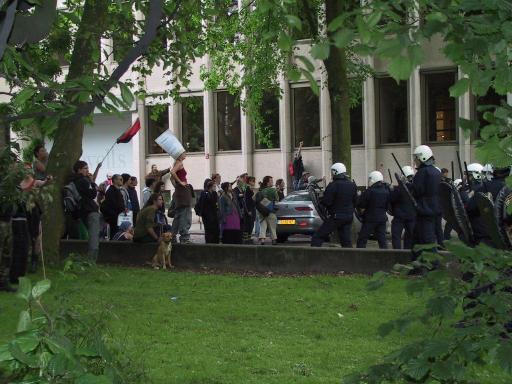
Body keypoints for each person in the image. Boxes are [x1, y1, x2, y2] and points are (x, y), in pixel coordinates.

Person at [311, 163, 357, 248]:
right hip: (348, 217)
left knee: (317, 237)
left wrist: (321, 199)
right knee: (346, 241)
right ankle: (350, 259)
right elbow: (355, 201)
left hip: (336, 217)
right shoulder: (352, 185)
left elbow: (327, 202)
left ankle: (314, 259)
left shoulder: (333, 185)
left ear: (335, 172)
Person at [410, 145, 442, 253]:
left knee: (427, 241)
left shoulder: (422, 172)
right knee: (419, 240)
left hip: (424, 210)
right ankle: (417, 266)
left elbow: (417, 190)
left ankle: (434, 266)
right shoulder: (437, 172)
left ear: (423, 158)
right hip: (434, 209)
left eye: (417, 158)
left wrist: (409, 186)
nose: (415, 161)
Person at [72, 161, 101, 260]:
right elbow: (93, 193)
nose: (87, 170)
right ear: (79, 170)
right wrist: (92, 182)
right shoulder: (84, 180)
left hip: (81, 211)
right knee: (94, 235)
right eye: (85, 168)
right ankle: (92, 259)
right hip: (90, 210)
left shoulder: (74, 181)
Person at [356, 171, 390, 249]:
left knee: (362, 239)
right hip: (382, 218)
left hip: (370, 218)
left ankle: (359, 256)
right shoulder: (386, 191)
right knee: (382, 240)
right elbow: (388, 205)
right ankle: (386, 256)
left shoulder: (369, 191)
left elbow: (362, 204)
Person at [390, 166, 416, 249]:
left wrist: (391, 190)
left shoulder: (399, 189)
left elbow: (391, 199)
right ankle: (407, 253)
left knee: (396, 236)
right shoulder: (415, 188)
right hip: (412, 215)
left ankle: (398, 254)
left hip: (399, 216)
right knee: (410, 236)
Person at [170, 152, 192, 244]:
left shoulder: (176, 163)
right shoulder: (179, 163)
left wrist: (177, 186)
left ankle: (172, 236)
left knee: (178, 215)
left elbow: (171, 178)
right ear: (179, 154)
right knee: (185, 213)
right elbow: (172, 172)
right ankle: (184, 237)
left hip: (179, 191)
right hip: (183, 191)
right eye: (184, 153)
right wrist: (180, 183)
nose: (185, 154)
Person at [100, 174, 126, 239]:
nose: (122, 181)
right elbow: (114, 204)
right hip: (114, 217)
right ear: (115, 180)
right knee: (115, 234)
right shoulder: (111, 191)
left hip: (118, 216)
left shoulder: (117, 190)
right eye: (120, 179)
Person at [255, 176, 279, 245]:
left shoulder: (260, 190)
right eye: (271, 181)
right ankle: (274, 239)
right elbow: (277, 200)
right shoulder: (273, 190)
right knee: (272, 225)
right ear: (267, 182)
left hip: (260, 210)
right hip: (270, 210)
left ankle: (262, 239)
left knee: (263, 225)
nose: (272, 182)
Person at [201, 179, 220, 244]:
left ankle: (215, 242)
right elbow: (203, 205)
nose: (215, 187)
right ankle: (209, 243)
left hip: (214, 215)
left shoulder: (214, 193)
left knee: (215, 230)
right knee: (209, 231)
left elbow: (216, 202)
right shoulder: (204, 193)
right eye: (214, 186)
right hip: (207, 216)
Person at [243, 176, 257, 244]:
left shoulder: (251, 189)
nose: (254, 182)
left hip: (252, 208)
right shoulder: (247, 189)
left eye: (254, 181)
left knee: (251, 224)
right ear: (249, 182)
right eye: (252, 181)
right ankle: (246, 239)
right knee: (248, 224)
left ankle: (249, 238)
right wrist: (248, 210)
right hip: (249, 209)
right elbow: (246, 201)